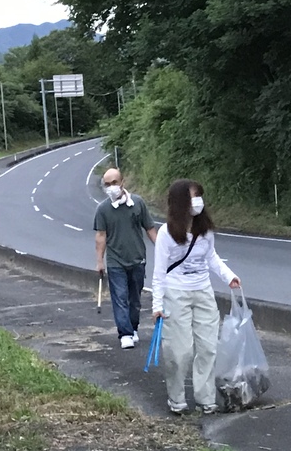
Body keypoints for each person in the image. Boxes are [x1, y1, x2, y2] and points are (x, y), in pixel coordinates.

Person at [152, 179, 241, 415]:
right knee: (180, 351)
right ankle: (177, 398)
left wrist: (229, 276)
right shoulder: (166, 233)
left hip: (203, 290)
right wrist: (157, 304)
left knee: (208, 347)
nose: (197, 201)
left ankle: (206, 398)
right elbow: (159, 272)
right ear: (181, 202)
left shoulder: (205, 230)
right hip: (176, 291)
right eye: (192, 197)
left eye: (199, 196)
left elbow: (211, 257)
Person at [94, 168, 158, 349]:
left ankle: (133, 327)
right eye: (107, 184)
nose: (111, 187)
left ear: (122, 182)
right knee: (120, 297)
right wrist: (100, 261)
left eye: (114, 183)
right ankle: (125, 333)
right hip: (115, 262)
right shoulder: (103, 209)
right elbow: (101, 236)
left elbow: (150, 229)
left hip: (137, 259)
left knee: (134, 298)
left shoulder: (138, 203)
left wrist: (163, 251)